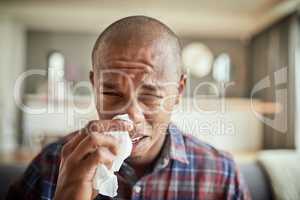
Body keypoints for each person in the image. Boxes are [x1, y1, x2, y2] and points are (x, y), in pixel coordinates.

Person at [6, 16, 250, 200]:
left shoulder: (221, 173)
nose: (131, 115)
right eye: (111, 92)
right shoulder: (51, 163)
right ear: (94, 85)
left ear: (179, 91)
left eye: (150, 95)